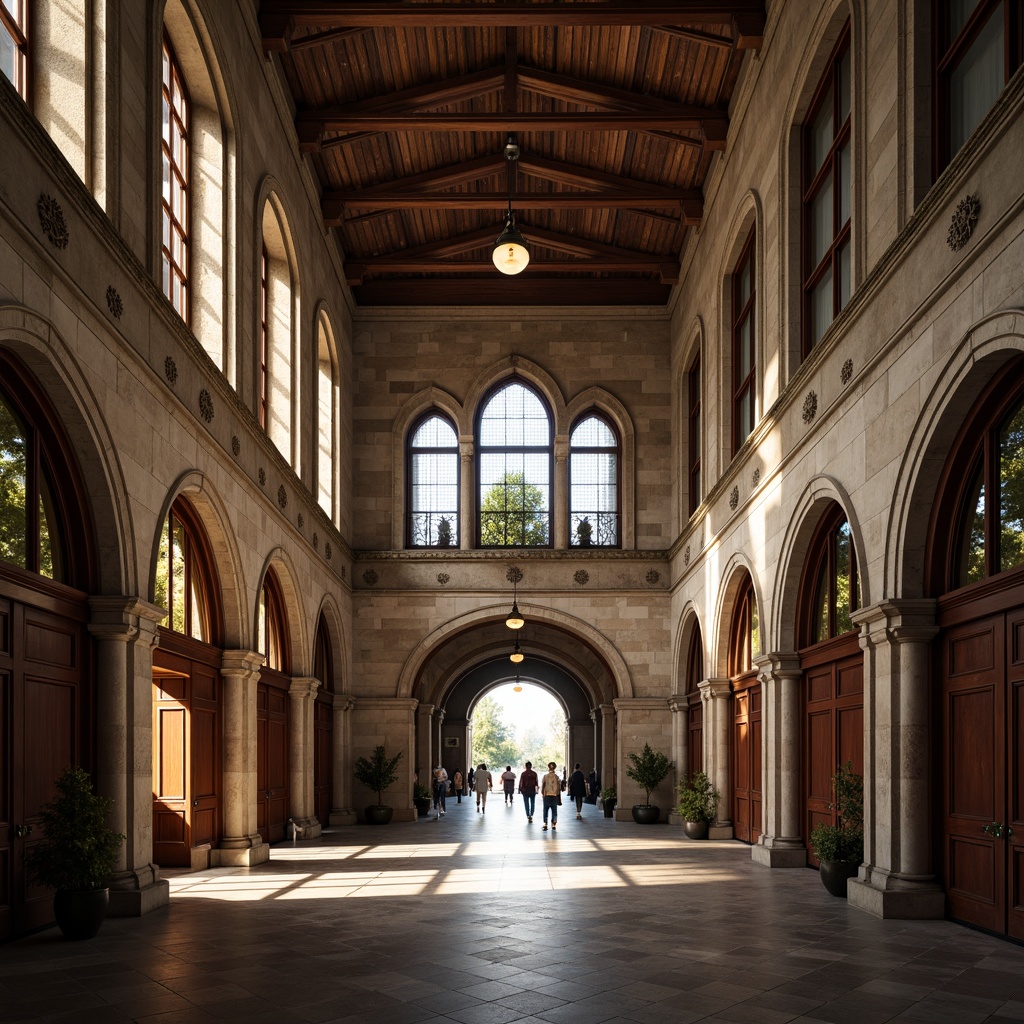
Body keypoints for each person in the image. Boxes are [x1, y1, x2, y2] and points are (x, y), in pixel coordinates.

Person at [541, 761, 561, 831]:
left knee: (545, 810)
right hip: (554, 796)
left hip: (547, 795)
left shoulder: (545, 776)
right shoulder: (557, 777)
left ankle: (545, 823)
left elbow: (542, 786)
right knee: (554, 810)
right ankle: (553, 823)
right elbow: (559, 788)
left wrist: (543, 794)